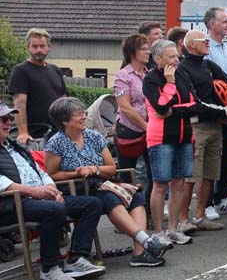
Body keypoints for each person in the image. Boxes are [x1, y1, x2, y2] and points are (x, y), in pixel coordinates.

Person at [43, 96, 171, 266]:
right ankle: (147, 242)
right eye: (78, 114)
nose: (84, 117)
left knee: (136, 197)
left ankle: (140, 252)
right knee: (108, 198)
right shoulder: (56, 142)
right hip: (75, 188)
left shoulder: (93, 136)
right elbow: (52, 174)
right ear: (64, 121)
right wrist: (77, 173)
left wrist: (94, 169)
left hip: (101, 182)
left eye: (84, 112)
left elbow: (111, 168)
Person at [0, 102, 106, 280]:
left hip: (36, 198)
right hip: (11, 203)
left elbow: (41, 172)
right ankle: (49, 269)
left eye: (9, 118)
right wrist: (36, 192)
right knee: (53, 209)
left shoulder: (16, 147)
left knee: (92, 203)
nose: (8, 122)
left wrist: (52, 189)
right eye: (3, 119)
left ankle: (75, 258)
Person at [143, 38, 199, 245]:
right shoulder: (150, 79)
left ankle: (173, 228)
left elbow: (194, 104)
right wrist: (170, 85)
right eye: (172, 56)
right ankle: (158, 231)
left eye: (177, 55)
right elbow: (159, 107)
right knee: (160, 184)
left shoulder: (183, 73)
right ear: (158, 58)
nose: (177, 59)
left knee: (179, 184)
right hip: (161, 139)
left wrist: (173, 111)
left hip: (184, 137)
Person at [179, 29, 227, 232]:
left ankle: (200, 215)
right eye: (204, 41)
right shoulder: (182, 69)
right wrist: (223, 110)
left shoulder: (209, 65)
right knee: (191, 175)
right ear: (191, 45)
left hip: (216, 125)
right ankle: (183, 219)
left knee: (210, 173)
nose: (208, 43)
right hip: (196, 126)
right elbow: (192, 102)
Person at [202, 6, 227, 219]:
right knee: (211, 158)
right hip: (215, 110)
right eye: (224, 21)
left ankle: (222, 199)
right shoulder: (207, 49)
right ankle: (206, 203)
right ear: (211, 24)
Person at [8, 28, 67, 146]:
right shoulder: (21, 71)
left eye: (42, 46)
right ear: (28, 47)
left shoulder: (55, 70)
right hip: (35, 136)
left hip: (58, 133)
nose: (39, 50)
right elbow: (19, 104)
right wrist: (23, 132)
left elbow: (64, 101)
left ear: (48, 47)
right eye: (34, 46)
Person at [112, 33, 152, 192]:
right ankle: (129, 208)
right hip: (130, 131)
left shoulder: (150, 75)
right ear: (131, 53)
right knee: (127, 174)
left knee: (153, 173)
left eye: (148, 49)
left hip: (150, 130)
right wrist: (146, 126)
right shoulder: (122, 76)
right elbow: (125, 107)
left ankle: (149, 209)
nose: (148, 52)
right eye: (143, 49)